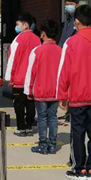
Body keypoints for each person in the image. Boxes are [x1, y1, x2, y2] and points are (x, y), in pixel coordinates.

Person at [57, 5, 91, 180]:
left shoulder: (71, 42)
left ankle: (78, 167)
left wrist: (62, 94)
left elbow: (64, 70)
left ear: (77, 21)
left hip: (79, 95)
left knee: (78, 133)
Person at [24, 20, 62, 155]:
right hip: (55, 91)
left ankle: (42, 144)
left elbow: (31, 72)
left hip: (40, 90)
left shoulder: (37, 51)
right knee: (53, 117)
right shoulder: (60, 51)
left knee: (42, 118)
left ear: (43, 33)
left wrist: (28, 90)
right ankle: (52, 145)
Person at [5, 12, 40, 136]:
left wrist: (10, 77)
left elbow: (13, 59)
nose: (16, 26)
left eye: (18, 24)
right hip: (32, 79)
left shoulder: (18, 39)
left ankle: (21, 127)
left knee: (19, 104)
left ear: (25, 25)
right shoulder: (37, 39)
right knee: (30, 103)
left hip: (19, 78)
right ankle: (29, 126)